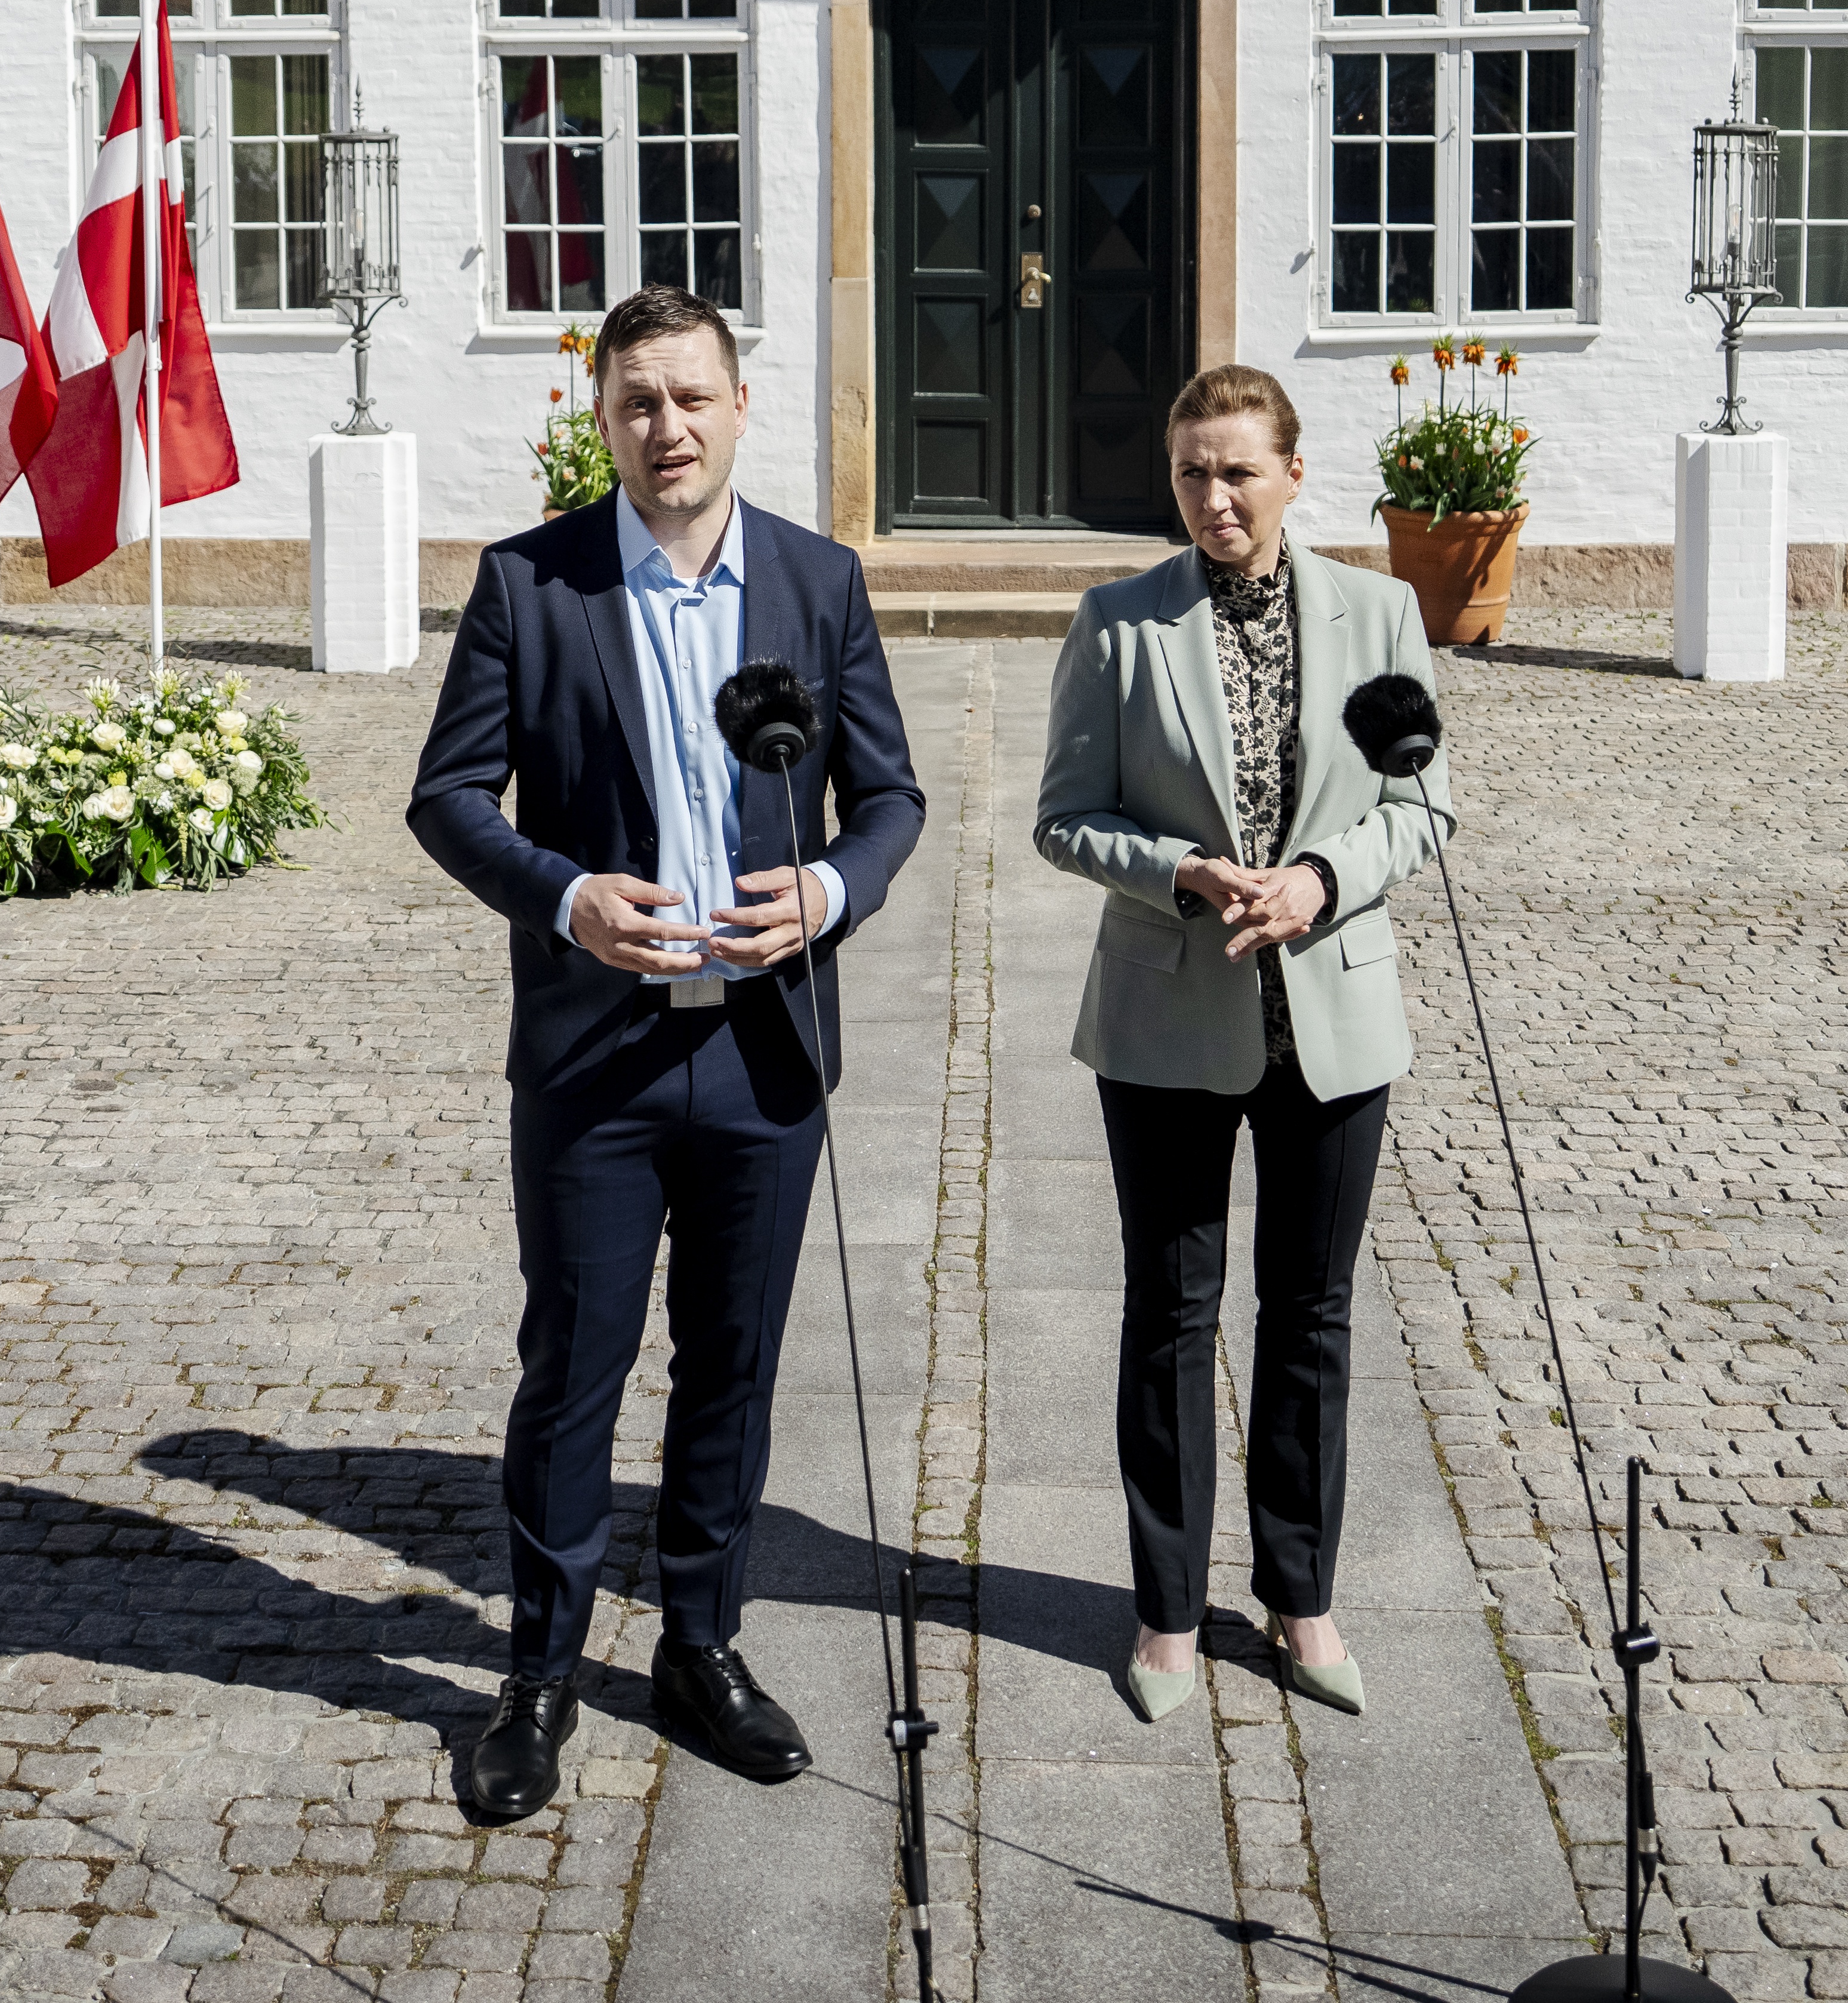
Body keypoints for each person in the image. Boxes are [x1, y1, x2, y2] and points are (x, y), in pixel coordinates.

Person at [408, 283, 928, 1824]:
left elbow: (890, 799)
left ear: (739, 403)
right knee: (573, 1366)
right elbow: (449, 796)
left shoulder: (821, 580)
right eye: (637, 400)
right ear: (603, 416)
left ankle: (701, 1640)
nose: (667, 425)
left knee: (735, 1366)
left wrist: (827, 889)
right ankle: (538, 1670)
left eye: (691, 395)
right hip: (597, 1059)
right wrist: (567, 894)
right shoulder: (532, 581)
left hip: (764, 1053)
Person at [1030, 363, 1445, 1723]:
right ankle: (1162, 1612)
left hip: (1331, 1009)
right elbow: (1063, 816)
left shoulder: (1378, 611)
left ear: (1291, 474)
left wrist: (1319, 878)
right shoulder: (1117, 623)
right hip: (1169, 1009)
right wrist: (1180, 872)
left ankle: (1301, 1598)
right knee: (1169, 1315)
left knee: (1311, 1321)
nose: (1215, 496)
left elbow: (1419, 807)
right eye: (1194, 473)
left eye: (1239, 471)